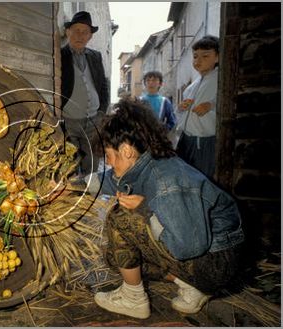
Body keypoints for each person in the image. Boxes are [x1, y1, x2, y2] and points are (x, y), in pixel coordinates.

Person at [92, 99, 244, 319]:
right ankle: (192, 287)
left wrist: (144, 210)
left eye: (109, 156)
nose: (109, 163)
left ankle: (133, 299)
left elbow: (186, 248)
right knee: (117, 259)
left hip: (216, 264)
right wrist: (70, 186)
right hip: (211, 257)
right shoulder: (147, 164)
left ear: (125, 150)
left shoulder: (166, 182)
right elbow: (108, 180)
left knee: (121, 217)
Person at [61, 11, 109, 176]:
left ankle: (90, 197)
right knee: (69, 166)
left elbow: (103, 85)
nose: (80, 35)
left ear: (90, 36)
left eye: (85, 32)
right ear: (68, 32)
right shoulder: (60, 55)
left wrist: (102, 112)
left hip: (94, 121)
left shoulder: (95, 56)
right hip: (69, 122)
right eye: (76, 30)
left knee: (93, 164)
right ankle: (72, 199)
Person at [175, 35, 219, 179]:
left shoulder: (220, 79)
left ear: (217, 58)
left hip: (205, 141)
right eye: (195, 56)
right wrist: (181, 107)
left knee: (202, 180)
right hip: (186, 140)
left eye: (205, 56)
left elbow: (228, 102)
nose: (198, 61)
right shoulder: (192, 86)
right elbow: (180, 116)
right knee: (185, 179)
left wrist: (210, 105)